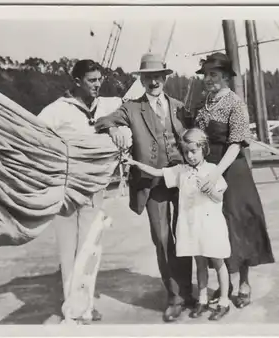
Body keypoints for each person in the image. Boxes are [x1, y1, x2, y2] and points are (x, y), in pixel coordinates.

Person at [95, 53, 194, 322]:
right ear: (142, 80)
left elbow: (195, 136)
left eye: (158, 77)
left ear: (164, 78)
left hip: (182, 179)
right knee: (162, 240)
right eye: (148, 77)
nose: (154, 82)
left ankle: (188, 290)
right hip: (152, 184)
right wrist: (113, 128)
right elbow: (101, 121)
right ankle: (173, 296)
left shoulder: (178, 106)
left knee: (184, 235)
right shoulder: (131, 108)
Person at [37, 59, 122, 323]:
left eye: (99, 80)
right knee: (68, 250)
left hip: (94, 188)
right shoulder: (56, 111)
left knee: (90, 249)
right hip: (65, 190)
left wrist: (115, 127)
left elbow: (129, 110)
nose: (98, 85)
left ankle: (85, 305)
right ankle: (72, 308)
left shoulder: (108, 104)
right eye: (91, 81)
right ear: (77, 82)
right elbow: (35, 136)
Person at [123, 128, 232, 321]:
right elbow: (157, 171)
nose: (190, 156)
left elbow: (219, 198)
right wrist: (134, 163)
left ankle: (224, 300)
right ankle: (203, 299)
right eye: (186, 152)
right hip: (192, 226)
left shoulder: (213, 171)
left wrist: (209, 190)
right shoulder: (181, 171)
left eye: (194, 151)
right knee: (199, 263)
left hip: (211, 226)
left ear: (203, 149)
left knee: (218, 261)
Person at [193, 53, 275, 309]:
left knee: (238, 224)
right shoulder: (204, 102)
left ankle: (244, 283)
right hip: (209, 170)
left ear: (226, 77)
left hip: (231, 171)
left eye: (214, 74)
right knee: (215, 227)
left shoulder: (235, 103)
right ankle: (224, 284)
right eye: (206, 74)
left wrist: (216, 173)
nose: (208, 79)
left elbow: (236, 143)